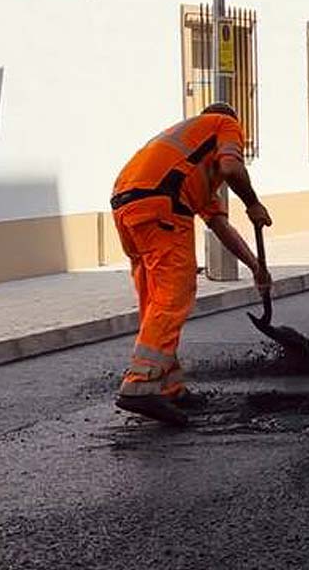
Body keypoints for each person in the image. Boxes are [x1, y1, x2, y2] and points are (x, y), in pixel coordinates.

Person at [110, 102, 273, 426]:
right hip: (163, 205)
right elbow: (232, 168)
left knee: (156, 303)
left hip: (126, 207)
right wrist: (253, 203)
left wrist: (256, 267)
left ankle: (168, 387)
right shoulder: (223, 123)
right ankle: (139, 385)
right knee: (175, 294)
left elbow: (220, 225)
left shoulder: (188, 163)